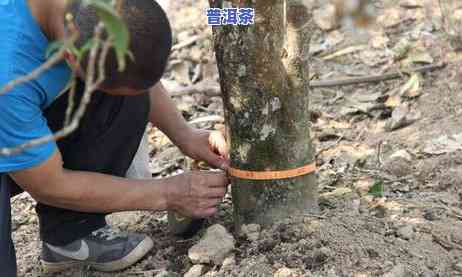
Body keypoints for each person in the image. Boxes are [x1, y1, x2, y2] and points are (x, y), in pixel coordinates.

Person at [0, 0, 230, 276]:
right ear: (71, 57)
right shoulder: (8, 72)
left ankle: (71, 235)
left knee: (122, 90)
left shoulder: (96, 17)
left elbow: (132, 67)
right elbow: (49, 184)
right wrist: (167, 193)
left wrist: (185, 135)